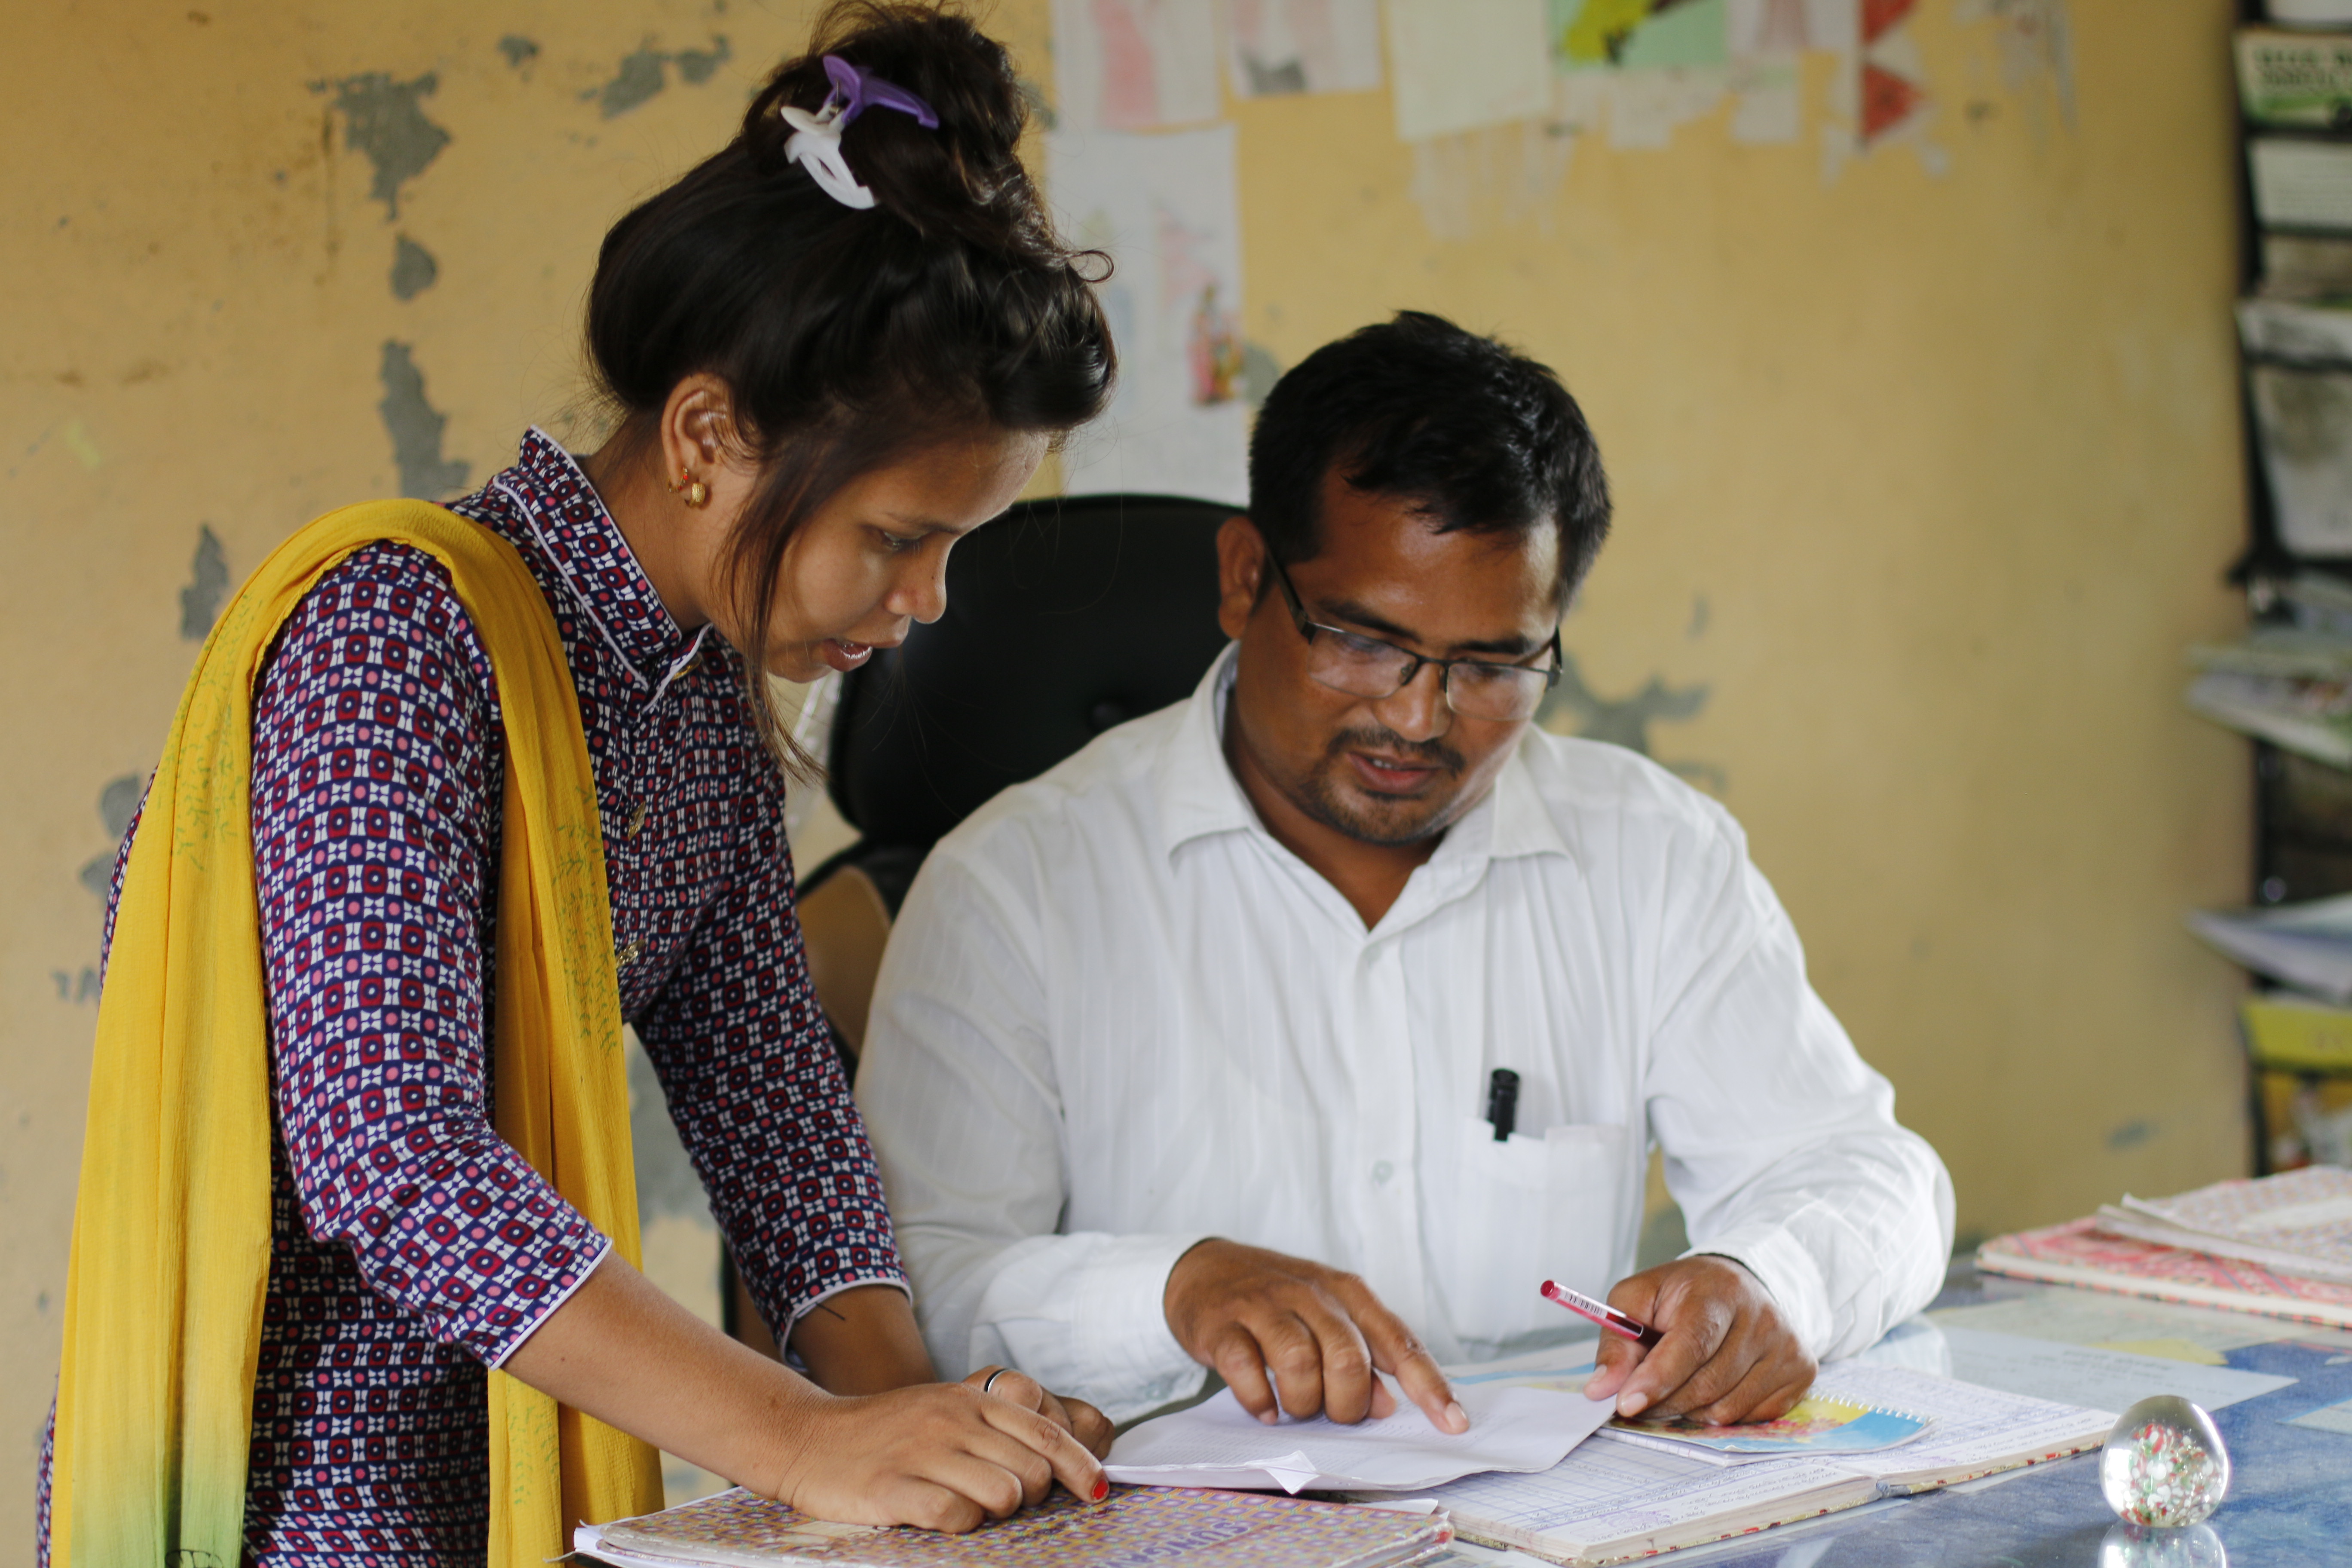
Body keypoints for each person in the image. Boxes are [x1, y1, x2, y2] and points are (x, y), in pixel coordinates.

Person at [43, 6, 1119, 1564]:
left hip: (504, 1454)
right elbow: (394, 1162)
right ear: (708, 436)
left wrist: (942, 1431)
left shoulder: (696, 698)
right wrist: (809, 1439)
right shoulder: (397, 637)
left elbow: (775, 1116)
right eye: (899, 539)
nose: (931, 603)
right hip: (296, 1490)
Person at [857, 312, 1956, 1439]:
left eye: (1493, 664)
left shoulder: (1648, 854)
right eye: (1363, 640)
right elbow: (915, 1298)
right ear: (1245, 580)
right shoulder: (1019, 885)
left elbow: (1868, 1175)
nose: (1418, 714)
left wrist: (1769, 1282)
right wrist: (1172, 1292)